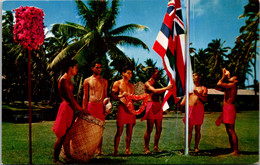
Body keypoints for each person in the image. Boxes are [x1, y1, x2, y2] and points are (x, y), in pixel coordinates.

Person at [52, 60, 83, 163]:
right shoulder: (64, 80)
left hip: (69, 109)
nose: (77, 69)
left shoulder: (68, 79)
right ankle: (55, 159)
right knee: (61, 136)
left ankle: (66, 156)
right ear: (70, 68)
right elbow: (70, 98)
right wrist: (81, 109)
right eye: (76, 67)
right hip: (65, 108)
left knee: (66, 136)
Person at [142, 69, 173, 154]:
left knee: (159, 128)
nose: (158, 75)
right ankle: (146, 148)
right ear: (152, 74)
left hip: (157, 105)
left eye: (159, 73)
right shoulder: (147, 83)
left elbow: (162, 92)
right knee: (150, 128)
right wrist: (167, 88)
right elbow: (154, 91)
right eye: (157, 73)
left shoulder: (158, 83)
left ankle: (156, 146)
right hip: (150, 104)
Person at [82, 60, 109, 156]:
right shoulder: (87, 80)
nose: (99, 69)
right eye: (97, 67)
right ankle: (88, 150)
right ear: (92, 68)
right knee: (89, 130)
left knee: (99, 129)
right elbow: (85, 95)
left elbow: (106, 96)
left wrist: (107, 107)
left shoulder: (104, 81)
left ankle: (99, 151)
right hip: (91, 106)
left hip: (100, 107)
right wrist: (83, 109)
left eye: (100, 67)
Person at [181, 73, 208, 152]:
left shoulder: (203, 88)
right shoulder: (188, 88)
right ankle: (187, 147)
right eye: (192, 76)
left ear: (199, 77)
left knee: (198, 129)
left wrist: (197, 94)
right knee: (189, 129)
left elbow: (205, 100)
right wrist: (181, 104)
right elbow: (185, 99)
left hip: (199, 109)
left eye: (196, 75)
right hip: (190, 109)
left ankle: (196, 147)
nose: (194, 77)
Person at [111, 66, 135, 156]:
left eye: (131, 73)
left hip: (130, 109)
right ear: (123, 73)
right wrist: (121, 96)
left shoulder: (131, 85)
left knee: (129, 131)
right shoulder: (117, 83)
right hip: (122, 108)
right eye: (128, 73)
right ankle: (115, 151)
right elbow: (112, 96)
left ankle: (127, 150)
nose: (130, 75)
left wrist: (140, 98)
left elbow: (132, 98)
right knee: (119, 131)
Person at [215, 68, 239, 156]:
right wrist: (225, 77)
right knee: (228, 130)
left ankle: (235, 151)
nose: (231, 78)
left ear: (236, 80)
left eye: (233, 77)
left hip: (229, 108)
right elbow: (217, 87)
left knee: (231, 130)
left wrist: (223, 76)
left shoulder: (232, 85)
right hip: (226, 108)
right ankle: (232, 149)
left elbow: (219, 83)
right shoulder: (229, 87)